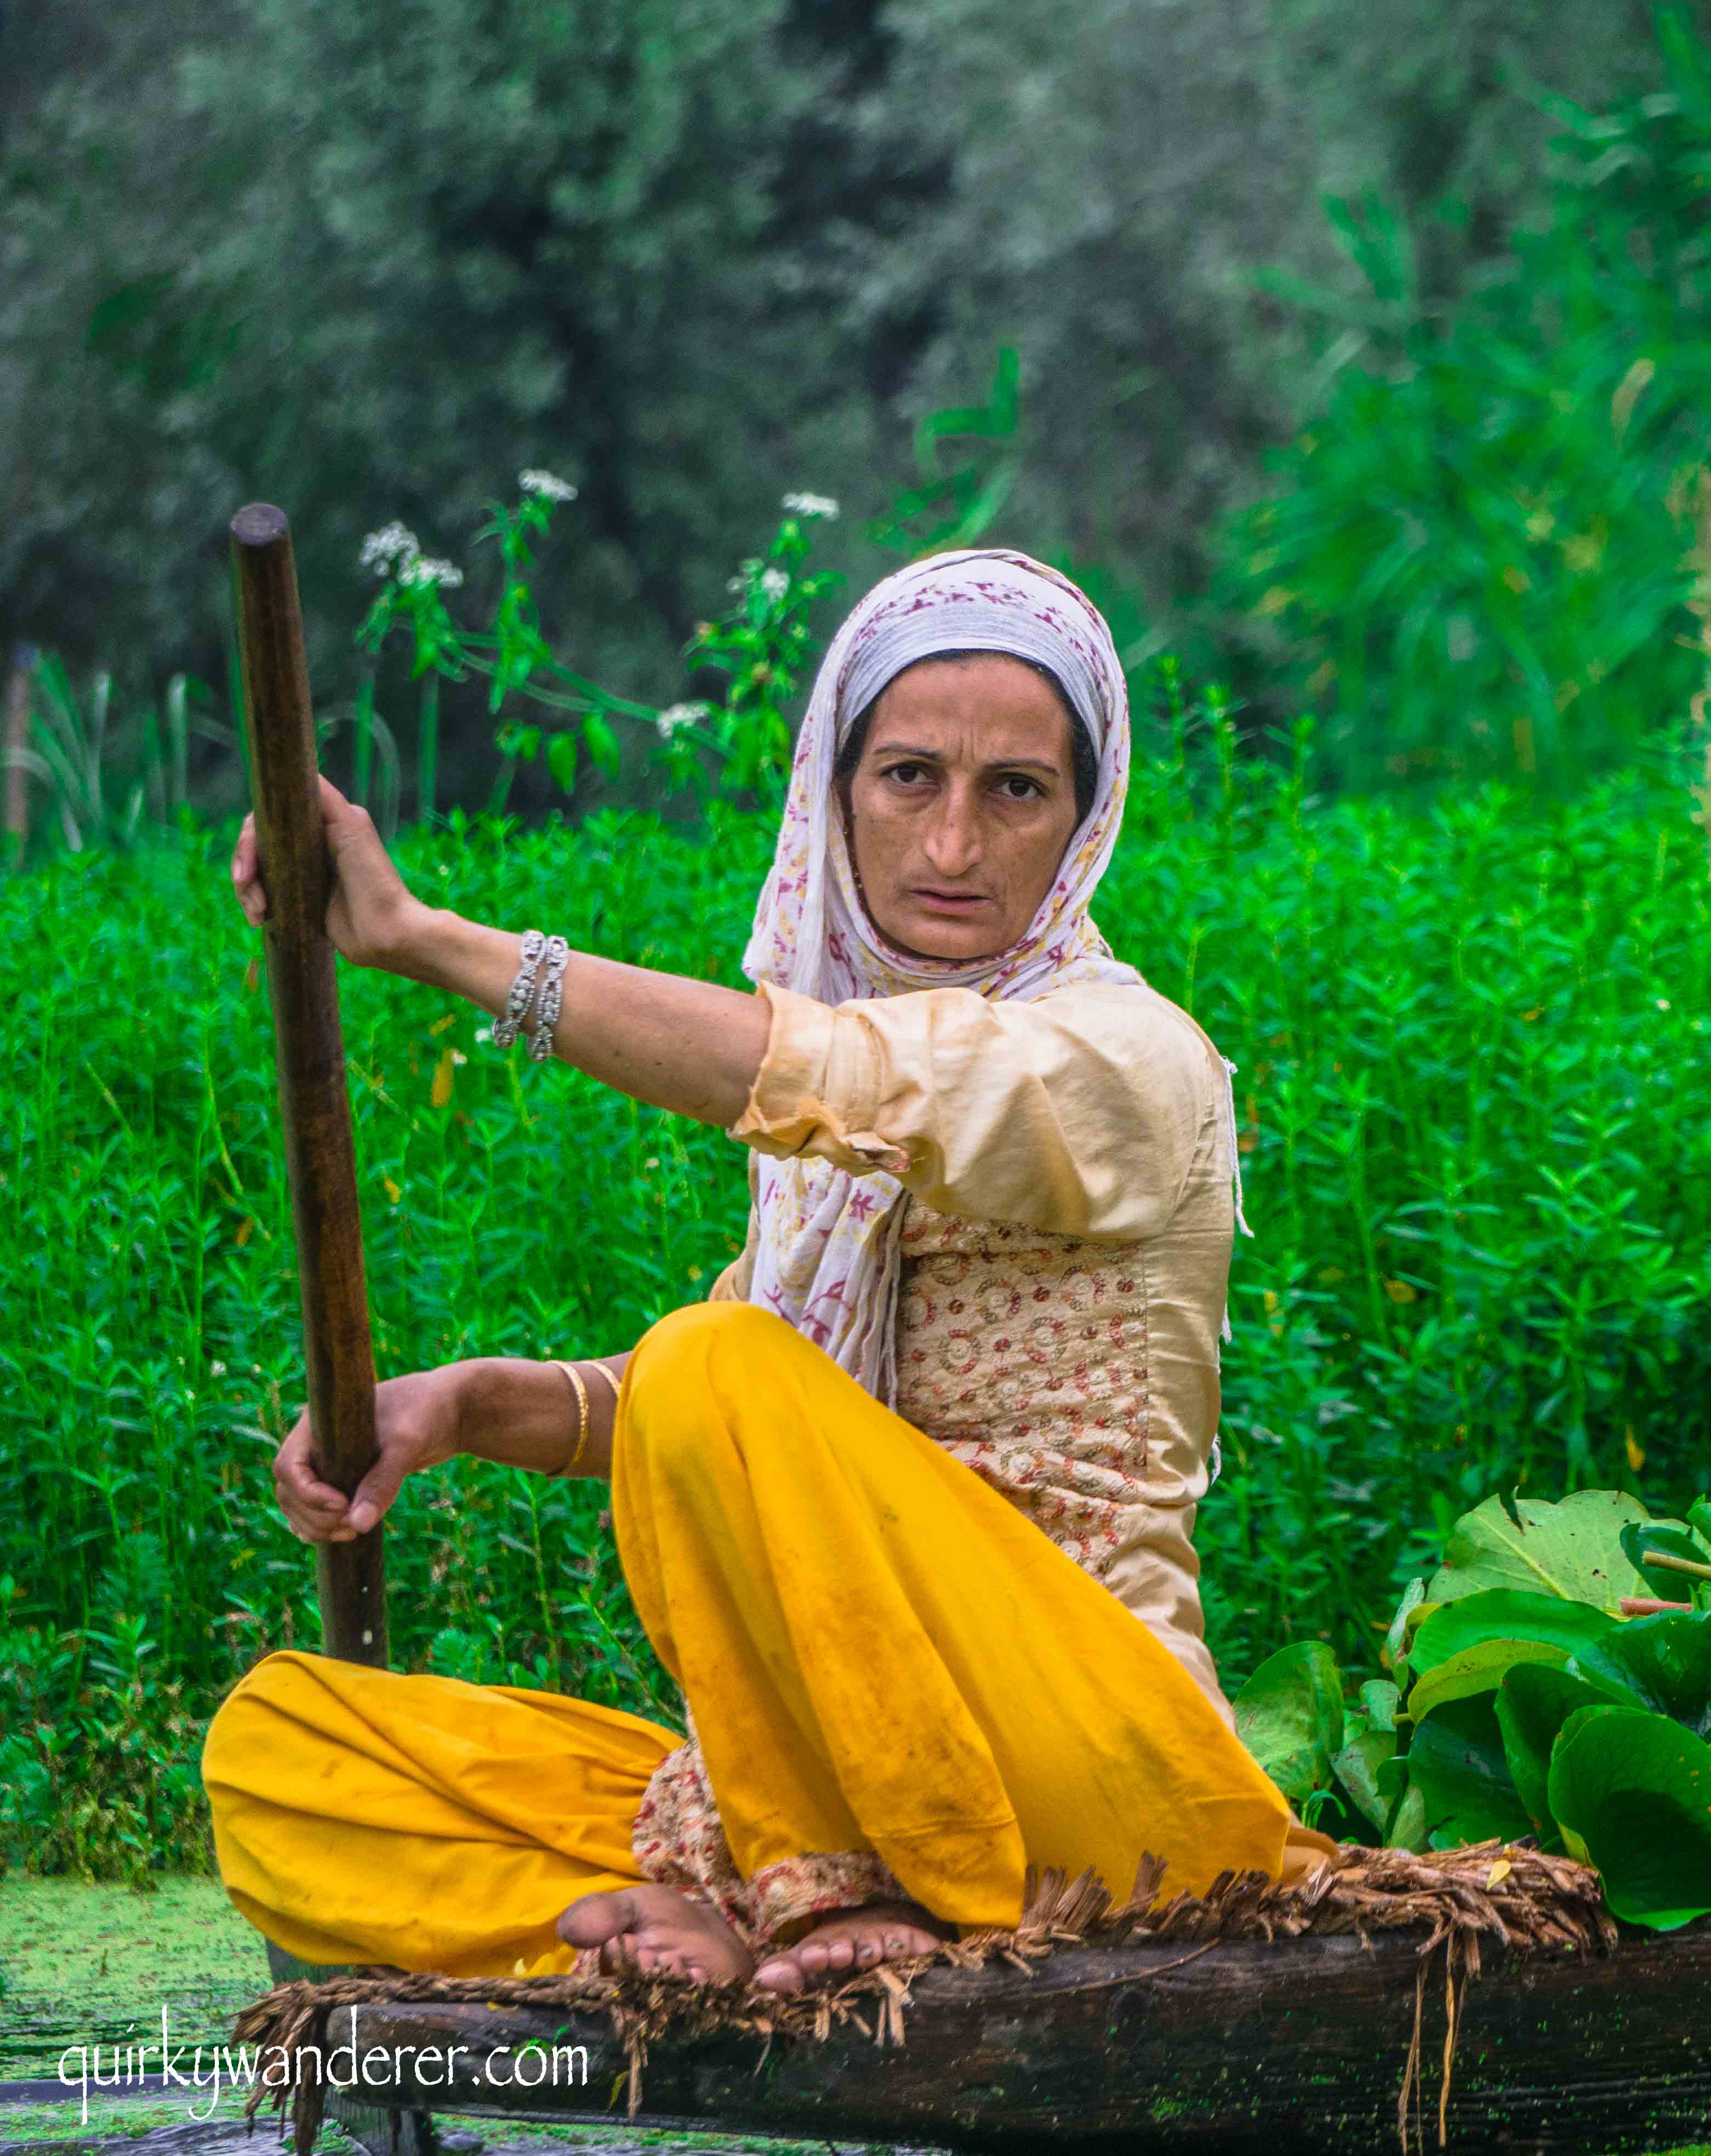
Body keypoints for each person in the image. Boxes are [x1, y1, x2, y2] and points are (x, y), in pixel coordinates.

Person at [201, 550, 1295, 1992]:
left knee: (717, 1368)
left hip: (1097, 1780)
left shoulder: (1125, 1058)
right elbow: (697, 1408)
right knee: (298, 1756)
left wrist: (427, 944)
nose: (954, 843)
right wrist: (463, 1404)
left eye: (1015, 791)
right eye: (909, 779)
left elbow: (818, 1108)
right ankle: (747, 1907)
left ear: (1085, 821)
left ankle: (824, 1902)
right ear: (834, 796)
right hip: (855, 1752)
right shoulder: (826, 1110)